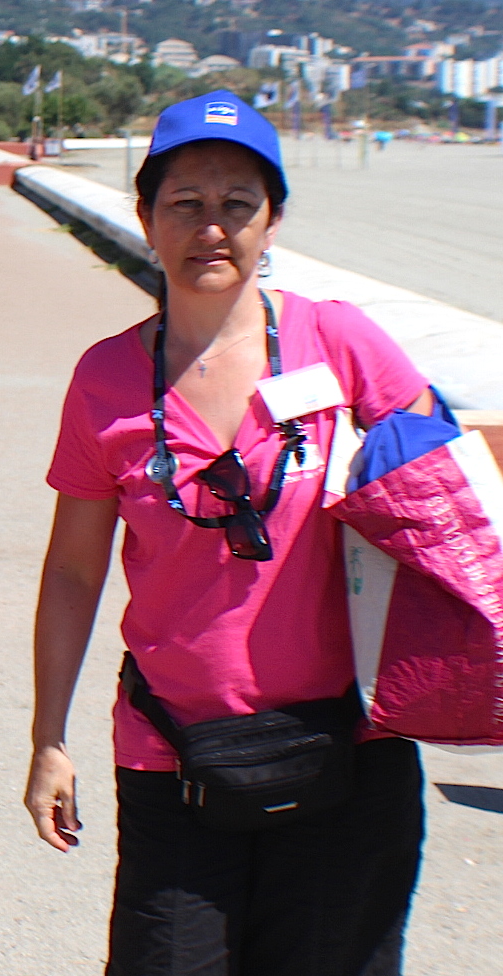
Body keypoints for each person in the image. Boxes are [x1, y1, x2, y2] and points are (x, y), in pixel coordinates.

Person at [24, 90, 435, 976]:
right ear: (145, 216)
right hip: (174, 757)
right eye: (185, 204)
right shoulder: (105, 380)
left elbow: (448, 506)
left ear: (273, 218)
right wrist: (47, 738)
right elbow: (70, 571)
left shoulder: (344, 346)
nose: (211, 228)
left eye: (236, 205)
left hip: (348, 755)